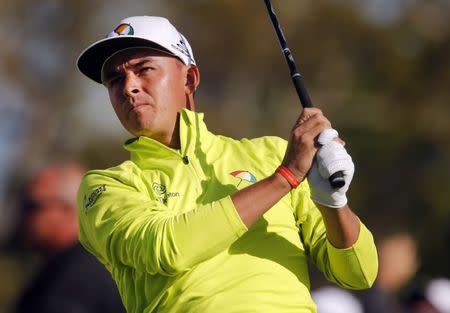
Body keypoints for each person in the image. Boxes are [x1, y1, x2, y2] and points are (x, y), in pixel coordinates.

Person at [76, 16, 378, 312]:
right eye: (115, 79)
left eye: (144, 69)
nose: (129, 86)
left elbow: (359, 273)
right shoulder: (106, 186)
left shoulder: (270, 154)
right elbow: (166, 248)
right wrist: (285, 177)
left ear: (190, 79)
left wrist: (333, 202)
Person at [13, 163, 126, 313]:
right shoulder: (75, 263)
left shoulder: (79, 277)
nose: (23, 216)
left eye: (32, 206)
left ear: (68, 209)